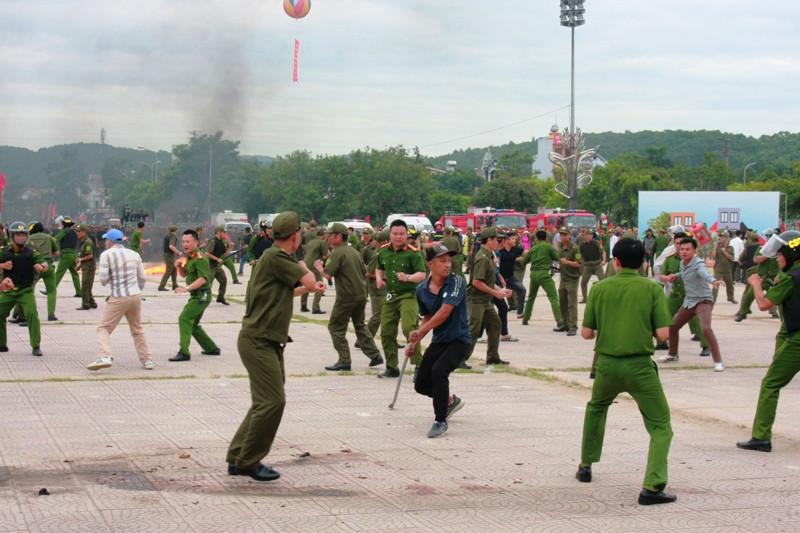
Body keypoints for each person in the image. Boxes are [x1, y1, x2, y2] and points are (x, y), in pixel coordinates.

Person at [226, 211, 327, 482]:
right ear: (296, 236)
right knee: (273, 401)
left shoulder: (274, 259)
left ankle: (237, 456)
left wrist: (311, 288)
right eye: (300, 235)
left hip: (265, 339)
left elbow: (288, 291)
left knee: (264, 401)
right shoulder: (277, 257)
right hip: (258, 340)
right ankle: (249, 460)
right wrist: (311, 274)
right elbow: (305, 277)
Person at [576, 238, 677, 506]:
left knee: (597, 408)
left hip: (606, 365)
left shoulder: (600, 288)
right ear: (644, 262)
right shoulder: (652, 289)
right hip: (640, 367)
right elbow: (663, 334)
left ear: (615, 262)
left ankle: (586, 464)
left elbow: (587, 333)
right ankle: (652, 487)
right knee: (661, 426)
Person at [737, 230, 800, 453]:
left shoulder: (791, 278)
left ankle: (761, 436)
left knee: (771, 383)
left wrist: (755, 282)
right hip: (791, 334)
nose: (778, 259)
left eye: (780, 255)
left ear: (791, 255)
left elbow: (763, 304)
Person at [409, 243, 470, 438]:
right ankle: (451, 401)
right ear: (430, 264)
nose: (447, 264)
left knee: (439, 371)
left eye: (449, 260)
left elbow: (444, 313)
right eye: (442, 261)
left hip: (459, 340)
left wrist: (420, 333)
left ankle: (440, 420)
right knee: (421, 384)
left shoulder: (457, 282)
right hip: (440, 341)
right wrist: (415, 342)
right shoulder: (421, 290)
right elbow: (428, 317)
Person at [316, 223, 384, 372]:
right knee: (360, 325)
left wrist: (318, 267)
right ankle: (375, 355)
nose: (328, 238)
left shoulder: (337, 252)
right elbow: (363, 271)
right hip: (360, 294)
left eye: (330, 235)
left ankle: (344, 360)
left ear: (338, 236)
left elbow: (327, 274)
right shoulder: (354, 251)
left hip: (346, 296)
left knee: (335, 327)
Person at [87, 228, 153, 371]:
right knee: (137, 328)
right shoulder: (134, 254)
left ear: (109, 242)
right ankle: (147, 359)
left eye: (106, 240)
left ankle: (105, 356)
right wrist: (137, 290)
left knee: (103, 328)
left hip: (118, 296)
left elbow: (103, 279)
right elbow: (142, 278)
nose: (106, 242)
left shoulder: (107, 255)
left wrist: (109, 281)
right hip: (135, 296)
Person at [662, 237, 726, 371]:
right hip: (689, 301)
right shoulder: (683, 264)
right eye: (682, 249)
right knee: (672, 327)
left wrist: (714, 281)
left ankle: (718, 361)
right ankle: (673, 354)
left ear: (694, 250)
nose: (684, 252)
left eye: (687, 249)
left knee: (705, 328)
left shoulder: (699, 263)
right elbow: (685, 273)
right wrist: (676, 276)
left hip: (703, 301)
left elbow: (704, 274)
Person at [375, 220, 426, 378]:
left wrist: (408, 277)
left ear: (406, 235)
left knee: (409, 329)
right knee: (386, 332)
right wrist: (379, 279)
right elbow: (379, 267)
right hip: (390, 297)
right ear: (390, 234)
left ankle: (419, 366)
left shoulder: (413, 253)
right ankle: (392, 367)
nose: (398, 237)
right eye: (395, 234)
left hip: (408, 296)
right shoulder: (383, 251)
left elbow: (422, 274)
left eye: (401, 234)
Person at [169, 230, 221, 362]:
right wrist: (179, 266)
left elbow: (203, 279)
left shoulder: (200, 258)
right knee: (193, 324)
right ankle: (211, 348)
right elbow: (184, 275)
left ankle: (184, 352)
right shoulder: (189, 257)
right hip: (197, 295)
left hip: (202, 295)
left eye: (188, 241)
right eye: (183, 241)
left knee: (184, 318)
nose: (185, 244)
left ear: (196, 242)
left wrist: (186, 288)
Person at [466, 227, 513, 365]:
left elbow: (488, 281)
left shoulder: (490, 255)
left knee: (495, 324)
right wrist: (495, 293)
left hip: (485, 300)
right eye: (497, 239)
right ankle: (460, 358)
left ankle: (492, 357)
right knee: (473, 330)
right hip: (476, 300)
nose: (499, 242)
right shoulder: (482, 258)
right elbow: (476, 282)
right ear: (490, 240)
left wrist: (501, 290)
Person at [0, 222, 48, 356]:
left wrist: (41, 266)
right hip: (8, 291)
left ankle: (35, 346)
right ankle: (2, 344)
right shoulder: (3, 251)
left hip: (25, 290)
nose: (21, 238)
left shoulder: (30, 252)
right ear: (12, 236)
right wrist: (2, 265)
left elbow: (44, 263)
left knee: (32, 314)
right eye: (18, 235)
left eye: (23, 235)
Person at [520, 230, 563, 329]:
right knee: (553, 297)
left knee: (531, 297)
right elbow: (557, 258)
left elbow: (524, 262)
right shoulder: (548, 246)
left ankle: (525, 318)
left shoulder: (533, 248)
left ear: (536, 238)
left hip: (533, 274)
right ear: (546, 238)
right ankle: (559, 320)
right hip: (544, 274)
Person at [555, 227, 581, 336]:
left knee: (571, 304)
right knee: (562, 302)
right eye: (561, 235)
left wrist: (567, 262)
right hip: (563, 278)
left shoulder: (575, 248)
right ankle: (565, 324)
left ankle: (573, 326)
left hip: (572, 278)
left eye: (565, 235)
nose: (562, 237)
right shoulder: (560, 246)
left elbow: (579, 264)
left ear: (569, 235)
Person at [300, 226, 329, 314]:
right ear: (323, 235)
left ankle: (303, 306)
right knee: (320, 285)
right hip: (315, 265)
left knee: (306, 284)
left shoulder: (310, 242)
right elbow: (324, 256)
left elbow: (305, 252)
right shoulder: (322, 243)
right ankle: (315, 307)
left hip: (306, 264)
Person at [53, 216, 82, 297]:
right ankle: (79, 292)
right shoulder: (74, 232)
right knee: (75, 274)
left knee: (59, 272)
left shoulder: (64, 231)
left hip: (66, 255)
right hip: (73, 255)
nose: (60, 225)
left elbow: (55, 240)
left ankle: (50, 289)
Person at [204, 226, 230, 306]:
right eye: (224, 232)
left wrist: (230, 247)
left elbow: (225, 253)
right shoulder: (213, 241)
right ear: (219, 232)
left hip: (216, 266)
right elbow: (207, 253)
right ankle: (204, 298)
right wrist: (217, 259)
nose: (225, 234)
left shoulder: (221, 242)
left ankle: (220, 298)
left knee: (223, 280)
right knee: (208, 283)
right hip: (210, 265)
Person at [579, 229, 606, 303]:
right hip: (587, 265)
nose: (591, 236)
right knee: (583, 282)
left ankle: (604, 297)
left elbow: (603, 251)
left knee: (603, 281)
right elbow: (579, 253)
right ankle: (585, 298)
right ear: (586, 235)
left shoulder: (596, 243)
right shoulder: (582, 244)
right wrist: (578, 260)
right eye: (589, 234)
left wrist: (603, 260)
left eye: (592, 234)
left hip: (597, 264)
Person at [75, 224, 97, 310]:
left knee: (85, 286)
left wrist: (79, 260)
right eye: (77, 231)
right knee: (87, 286)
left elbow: (90, 256)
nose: (78, 233)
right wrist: (80, 266)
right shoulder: (83, 242)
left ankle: (85, 304)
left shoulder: (88, 242)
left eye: (79, 231)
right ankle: (92, 303)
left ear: (84, 232)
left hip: (89, 268)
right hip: (86, 267)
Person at [711, 231, 737, 304]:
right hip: (718, 269)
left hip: (727, 269)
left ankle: (730, 298)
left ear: (727, 238)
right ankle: (713, 298)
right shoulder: (718, 246)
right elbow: (713, 257)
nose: (722, 239)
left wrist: (725, 252)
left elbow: (732, 258)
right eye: (721, 237)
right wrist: (715, 248)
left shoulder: (730, 248)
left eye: (723, 237)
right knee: (716, 284)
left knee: (730, 284)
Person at [158, 226, 182, 291]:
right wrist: (178, 252)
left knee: (174, 270)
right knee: (169, 270)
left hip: (167, 254)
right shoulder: (172, 237)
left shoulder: (167, 236)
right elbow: (171, 246)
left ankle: (175, 285)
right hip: (169, 256)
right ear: (176, 230)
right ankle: (161, 286)